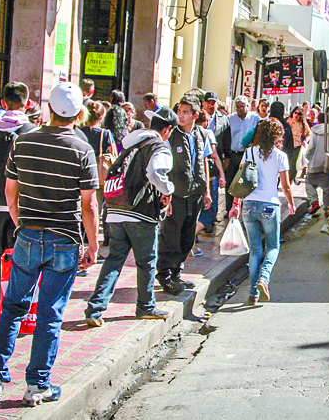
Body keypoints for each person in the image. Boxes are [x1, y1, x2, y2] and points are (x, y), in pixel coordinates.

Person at [0, 81, 99, 406]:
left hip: (29, 235)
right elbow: (88, 204)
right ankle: (37, 384)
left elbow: (10, 191)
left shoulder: (24, 141)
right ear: (78, 113)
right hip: (64, 238)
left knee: (13, 305)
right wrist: (93, 244)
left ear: (48, 109)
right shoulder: (82, 149)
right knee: (51, 313)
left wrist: (22, 224)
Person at [85, 107, 179, 327]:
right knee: (146, 262)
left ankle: (95, 308)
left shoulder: (132, 145)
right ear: (168, 129)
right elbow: (156, 173)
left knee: (114, 260)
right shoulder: (159, 147)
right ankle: (145, 307)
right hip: (140, 212)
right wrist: (168, 190)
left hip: (116, 210)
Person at [0, 82, 36, 343]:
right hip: (21, 206)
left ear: (2, 103)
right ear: (27, 103)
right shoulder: (31, 131)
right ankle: (13, 315)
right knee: (20, 262)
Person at [228, 118, 295, 305]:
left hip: (249, 205)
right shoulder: (280, 156)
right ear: (277, 135)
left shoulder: (249, 152)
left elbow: (240, 179)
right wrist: (290, 203)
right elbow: (286, 185)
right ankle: (264, 279)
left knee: (255, 250)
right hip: (269, 205)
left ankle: (252, 294)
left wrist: (236, 204)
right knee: (273, 246)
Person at [157, 95, 212, 295]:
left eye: (186, 112)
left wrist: (206, 190)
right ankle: (164, 274)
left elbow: (204, 160)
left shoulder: (201, 134)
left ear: (195, 115)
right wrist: (165, 193)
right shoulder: (172, 134)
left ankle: (176, 272)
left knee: (188, 235)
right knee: (171, 234)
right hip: (176, 194)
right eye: (179, 111)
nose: (181, 115)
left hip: (195, 193)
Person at [223, 95, 260, 212]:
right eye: (237, 107)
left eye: (242, 107)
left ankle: (245, 208)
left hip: (247, 155)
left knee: (246, 181)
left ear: (247, 107)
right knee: (230, 182)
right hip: (233, 154)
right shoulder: (230, 119)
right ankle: (229, 208)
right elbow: (226, 137)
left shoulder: (255, 118)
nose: (239, 109)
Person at [194, 111, 226, 244]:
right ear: (205, 122)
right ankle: (191, 234)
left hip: (191, 177)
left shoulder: (188, 133)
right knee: (209, 211)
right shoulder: (207, 133)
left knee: (195, 209)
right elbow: (214, 155)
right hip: (208, 176)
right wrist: (222, 173)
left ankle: (191, 233)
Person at [305, 111, 329, 217]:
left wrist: (307, 157)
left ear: (319, 121)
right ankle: (328, 208)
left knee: (309, 182)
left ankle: (314, 201)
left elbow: (311, 148)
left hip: (314, 163)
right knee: (327, 188)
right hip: (327, 164)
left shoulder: (315, 131)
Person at [286, 105, 310, 182]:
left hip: (297, 146)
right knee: (286, 163)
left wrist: (305, 140)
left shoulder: (302, 124)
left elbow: (309, 133)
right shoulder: (287, 121)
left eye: (299, 114)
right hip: (287, 145)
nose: (296, 115)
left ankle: (290, 180)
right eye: (295, 113)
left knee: (294, 164)